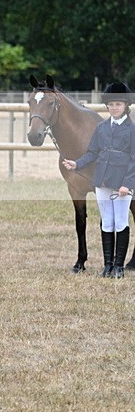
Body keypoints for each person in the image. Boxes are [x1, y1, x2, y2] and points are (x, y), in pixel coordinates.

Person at [62, 82, 135, 278]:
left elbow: (134, 159)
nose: (114, 108)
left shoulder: (132, 129)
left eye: (118, 104)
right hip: (102, 180)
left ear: (125, 106)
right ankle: (107, 265)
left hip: (122, 183)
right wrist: (77, 164)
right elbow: (92, 153)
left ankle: (119, 267)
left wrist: (127, 184)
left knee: (121, 222)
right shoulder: (101, 128)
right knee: (107, 223)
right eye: (111, 105)